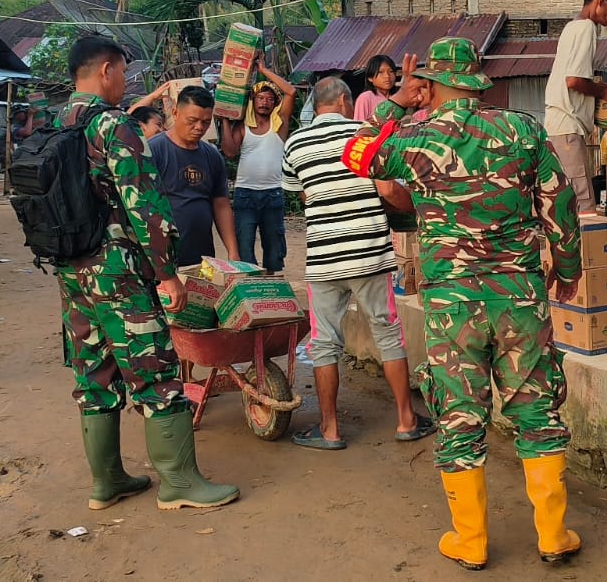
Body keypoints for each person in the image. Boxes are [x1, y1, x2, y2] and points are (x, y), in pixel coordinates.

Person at [344, 39, 583, 570]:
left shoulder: (415, 136)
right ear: (476, 81)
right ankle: (554, 535)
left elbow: (356, 154)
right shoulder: (522, 129)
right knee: (537, 411)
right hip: (519, 297)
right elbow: (560, 203)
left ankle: (470, 540)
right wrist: (568, 270)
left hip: (452, 303)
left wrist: (396, 103)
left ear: (431, 84)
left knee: (459, 415)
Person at [55, 35, 237, 511]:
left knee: (94, 372)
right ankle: (179, 482)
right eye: (122, 72)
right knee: (155, 371)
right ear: (106, 70)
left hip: (73, 269)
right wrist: (166, 272)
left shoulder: (57, 123)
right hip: (119, 271)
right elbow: (145, 205)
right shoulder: (113, 124)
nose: (124, 81)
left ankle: (107, 480)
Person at [282, 76, 433, 450]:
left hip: (324, 258)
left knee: (324, 343)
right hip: (370, 252)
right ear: (344, 102)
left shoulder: (294, 142)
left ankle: (330, 430)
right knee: (388, 333)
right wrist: (415, 211)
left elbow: (300, 195)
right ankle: (406, 420)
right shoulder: (364, 135)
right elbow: (388, 189)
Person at [544, 0, 607, 216]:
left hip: (560, 127)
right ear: (600, 1)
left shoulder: (572, 26)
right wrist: (603, 90)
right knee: (584, 208)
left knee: (567, 204)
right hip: (567, 127)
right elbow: (574, 81)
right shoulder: (586, 28)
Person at [220, 60, 295, 274]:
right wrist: (225, 121)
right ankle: (251, 284)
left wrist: (263, 70)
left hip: (273, 193)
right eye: (260, 98)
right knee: (244, 243)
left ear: (275, 104)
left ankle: (270, 282)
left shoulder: (279, 124)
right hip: (245, 194)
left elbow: (290, 92)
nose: (265, 102)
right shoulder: (243, 126)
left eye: (270, 99)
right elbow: (230, 151)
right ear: (253, 101)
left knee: (274, 246)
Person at [150, 86, 238, 267]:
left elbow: (221, 204)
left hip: (201, 255)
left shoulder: (212, 156)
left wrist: (233, 251)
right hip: (161, 258)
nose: (199, 127)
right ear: (175, 113)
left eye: (206, 122)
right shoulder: (153, 151)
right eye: (192, 120)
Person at [352, 54, 397, 124]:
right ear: (370, 78)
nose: (387, 76)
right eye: (381, 72)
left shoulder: (397, 98)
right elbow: (358, 125)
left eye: (391, 71)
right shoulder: (365, 98)